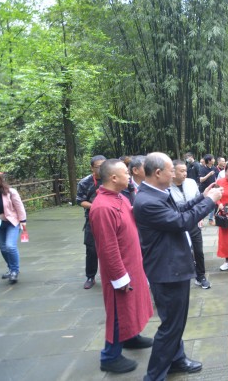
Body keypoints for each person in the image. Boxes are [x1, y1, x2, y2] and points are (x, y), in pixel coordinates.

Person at [133, 152, 223, 381]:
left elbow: (179, 211)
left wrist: (201, 197)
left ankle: (176, 359)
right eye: (171, 170)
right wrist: (210, 202)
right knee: (170, 326)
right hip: (167, 270)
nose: (175, 173)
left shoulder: (156, 193)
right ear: (158, 173)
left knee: (176, 321)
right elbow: (182, 222)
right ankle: (154, 376)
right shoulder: (148, 201)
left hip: (172, 267)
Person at [89, 159, 154, 374]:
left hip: (133, 263)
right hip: (121, 269)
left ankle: (131, 337)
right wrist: (120, 276)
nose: (130, 175)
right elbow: (107, 248)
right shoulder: (102, 208)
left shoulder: (120, 198)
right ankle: (110, 356)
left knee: (132, 305)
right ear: (113, 178)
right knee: (119, 311)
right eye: (125, 173)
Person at [170, 160, 210, 289]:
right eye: (181, 171)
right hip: (177, 224)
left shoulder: (191, 183)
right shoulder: (166, 187)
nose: (185, 173)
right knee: (182, 251)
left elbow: (198, 198)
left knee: (198, 250)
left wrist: (200, 217)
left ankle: (201, 276)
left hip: (193, 222)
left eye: (185, 170)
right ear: (172, 172)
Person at [77, 155, 106, 289]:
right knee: (92, 249)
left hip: (111, 218)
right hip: (93, 219)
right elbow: (80, 201)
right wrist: (96, 206)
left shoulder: (111, 178)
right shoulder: (85, 182)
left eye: (103, 166)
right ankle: (90, 276)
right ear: (91, 168)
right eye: (98, 167)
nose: (101, 169)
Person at [198, 154, 216, 225]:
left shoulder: (214, 168)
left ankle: (211, 219)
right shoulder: (202, 168)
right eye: (213, 159)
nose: (214, 160)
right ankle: (200, 220)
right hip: (204, 190)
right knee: (203, 205)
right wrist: (209, 174)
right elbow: (201, 180)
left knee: (213, 204)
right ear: (209, 161)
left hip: (213, 189)